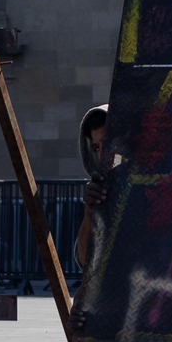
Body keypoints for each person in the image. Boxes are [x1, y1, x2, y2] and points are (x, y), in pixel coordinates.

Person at [73, 103, 110, 278]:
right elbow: (85, 261)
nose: (102, 155)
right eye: (96, 148)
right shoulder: (102, 191)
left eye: (107, 144)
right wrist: (90, 213)